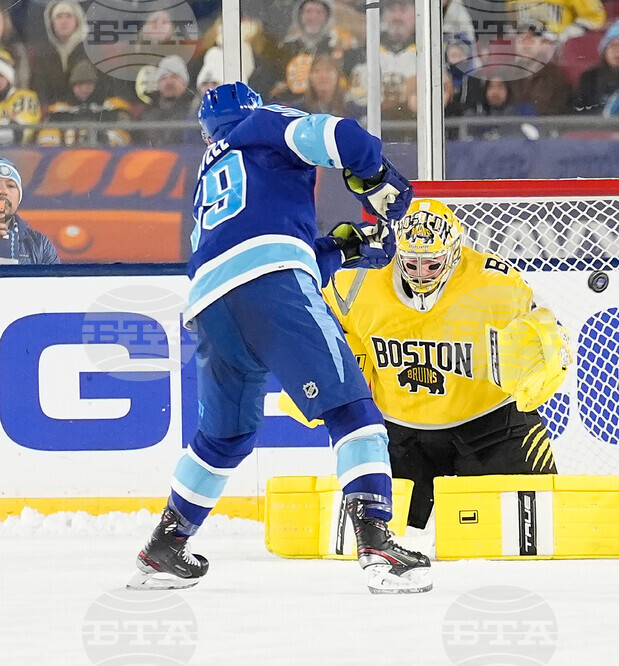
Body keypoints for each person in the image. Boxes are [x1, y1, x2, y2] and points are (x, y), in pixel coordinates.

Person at [129, 81, 431, 594]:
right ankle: (377, 539)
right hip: (270, 283)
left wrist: (347, 251)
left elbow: (258, 242)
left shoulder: (212, 169)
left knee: (224, 438)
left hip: (209, 304)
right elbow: (340, 134)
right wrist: (375, 175)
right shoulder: (262, 122)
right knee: (352, 407)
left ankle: (166, 543)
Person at [283, 199, 571, 529]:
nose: (421, 274)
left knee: (539, 528)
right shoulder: (356, 282)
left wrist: (543, 355)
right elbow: (320, 325)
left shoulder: (496, 284)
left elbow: (547, 329)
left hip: (490, 424)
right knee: (369, 535)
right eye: (411, 264)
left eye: (431, 265)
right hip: (399, 431)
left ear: (454, 254)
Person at [36, 60, 132, 146]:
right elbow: (47, 139)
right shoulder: (59, 110)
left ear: (95, 84)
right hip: (67, 159)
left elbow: (123, 130)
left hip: (103, 158)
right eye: (80, 84)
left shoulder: (110, 106)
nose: (85, 89)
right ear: (72, 85)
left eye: (89, 83)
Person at [0, 158, 60, 265]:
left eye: (10, 186)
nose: (3, 191)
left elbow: (56, 281)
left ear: (19, 197)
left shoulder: (41, 245)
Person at [137, 56, 196, 146]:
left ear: (185, 82)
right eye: (164, 78)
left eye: (175, 77)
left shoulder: (194, 109)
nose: (169, 82)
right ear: (158, 83)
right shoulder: (147, 113)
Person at [0, 49, 41, 145]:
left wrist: (10, 126)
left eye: (1, 76)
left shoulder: (25, 97)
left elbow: (18, 133)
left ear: (9, 78)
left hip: (18, 157)